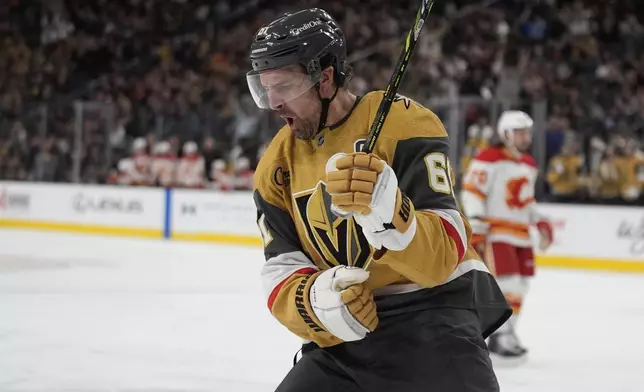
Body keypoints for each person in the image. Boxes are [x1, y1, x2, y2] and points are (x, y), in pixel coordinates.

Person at [248, 8, 510, 391]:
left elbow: (446, 252)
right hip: (346, 335)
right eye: (264, 89)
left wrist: (389, 212)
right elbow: (281, 270)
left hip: (433, 316)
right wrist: (320, 302)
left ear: (325, 78)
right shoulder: (276, 165)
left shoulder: (404, 124)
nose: (273, 103)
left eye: (284, 87)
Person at [461, 110, 554, 365]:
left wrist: (541, 221)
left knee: (521, 286)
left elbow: (526, 201)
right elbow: (473, 191)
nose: (524, 137)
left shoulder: (528, 164)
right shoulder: (488, 158)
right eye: (519, 131)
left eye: (526, 132)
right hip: (497, 232)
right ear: (504, 133)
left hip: (521, 235)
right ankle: (499, 334)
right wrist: (477, 221)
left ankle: (508, 332)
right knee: (507, 284)